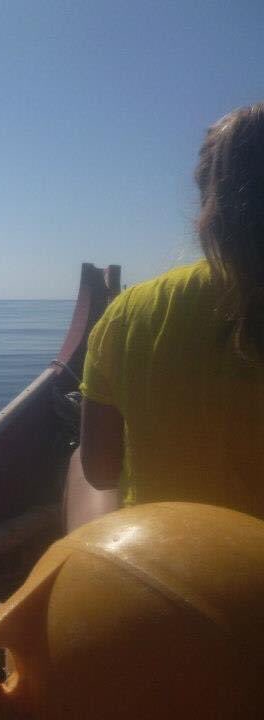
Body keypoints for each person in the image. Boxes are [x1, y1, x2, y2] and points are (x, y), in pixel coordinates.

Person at [65, 102, 264, 531]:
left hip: (162, 563)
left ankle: (91, 560)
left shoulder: (128, 313)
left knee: (79, 461)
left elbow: (101, 471)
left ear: (209, 201)